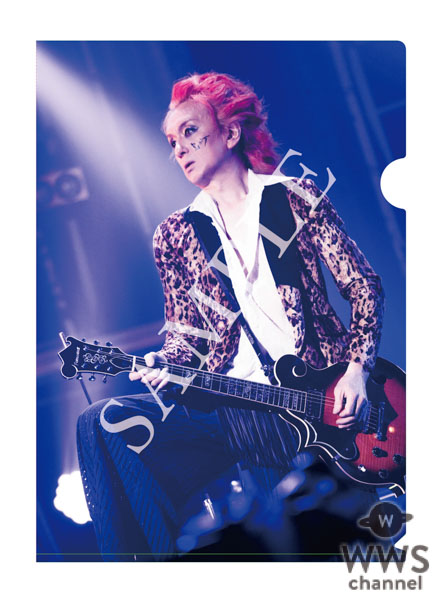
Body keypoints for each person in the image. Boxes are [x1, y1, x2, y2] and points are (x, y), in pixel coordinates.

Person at [77, 72, 384, 561]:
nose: (180, 149)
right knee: (102, 422)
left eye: (190, 132)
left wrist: (356, 371)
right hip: (240, 408)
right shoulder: (175, 235)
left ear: (231, 132)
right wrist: (164, 363)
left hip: (321, 401)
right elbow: (185, 336)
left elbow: (363, 285)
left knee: (330, 549)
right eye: (172, 141)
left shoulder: (296, 197)